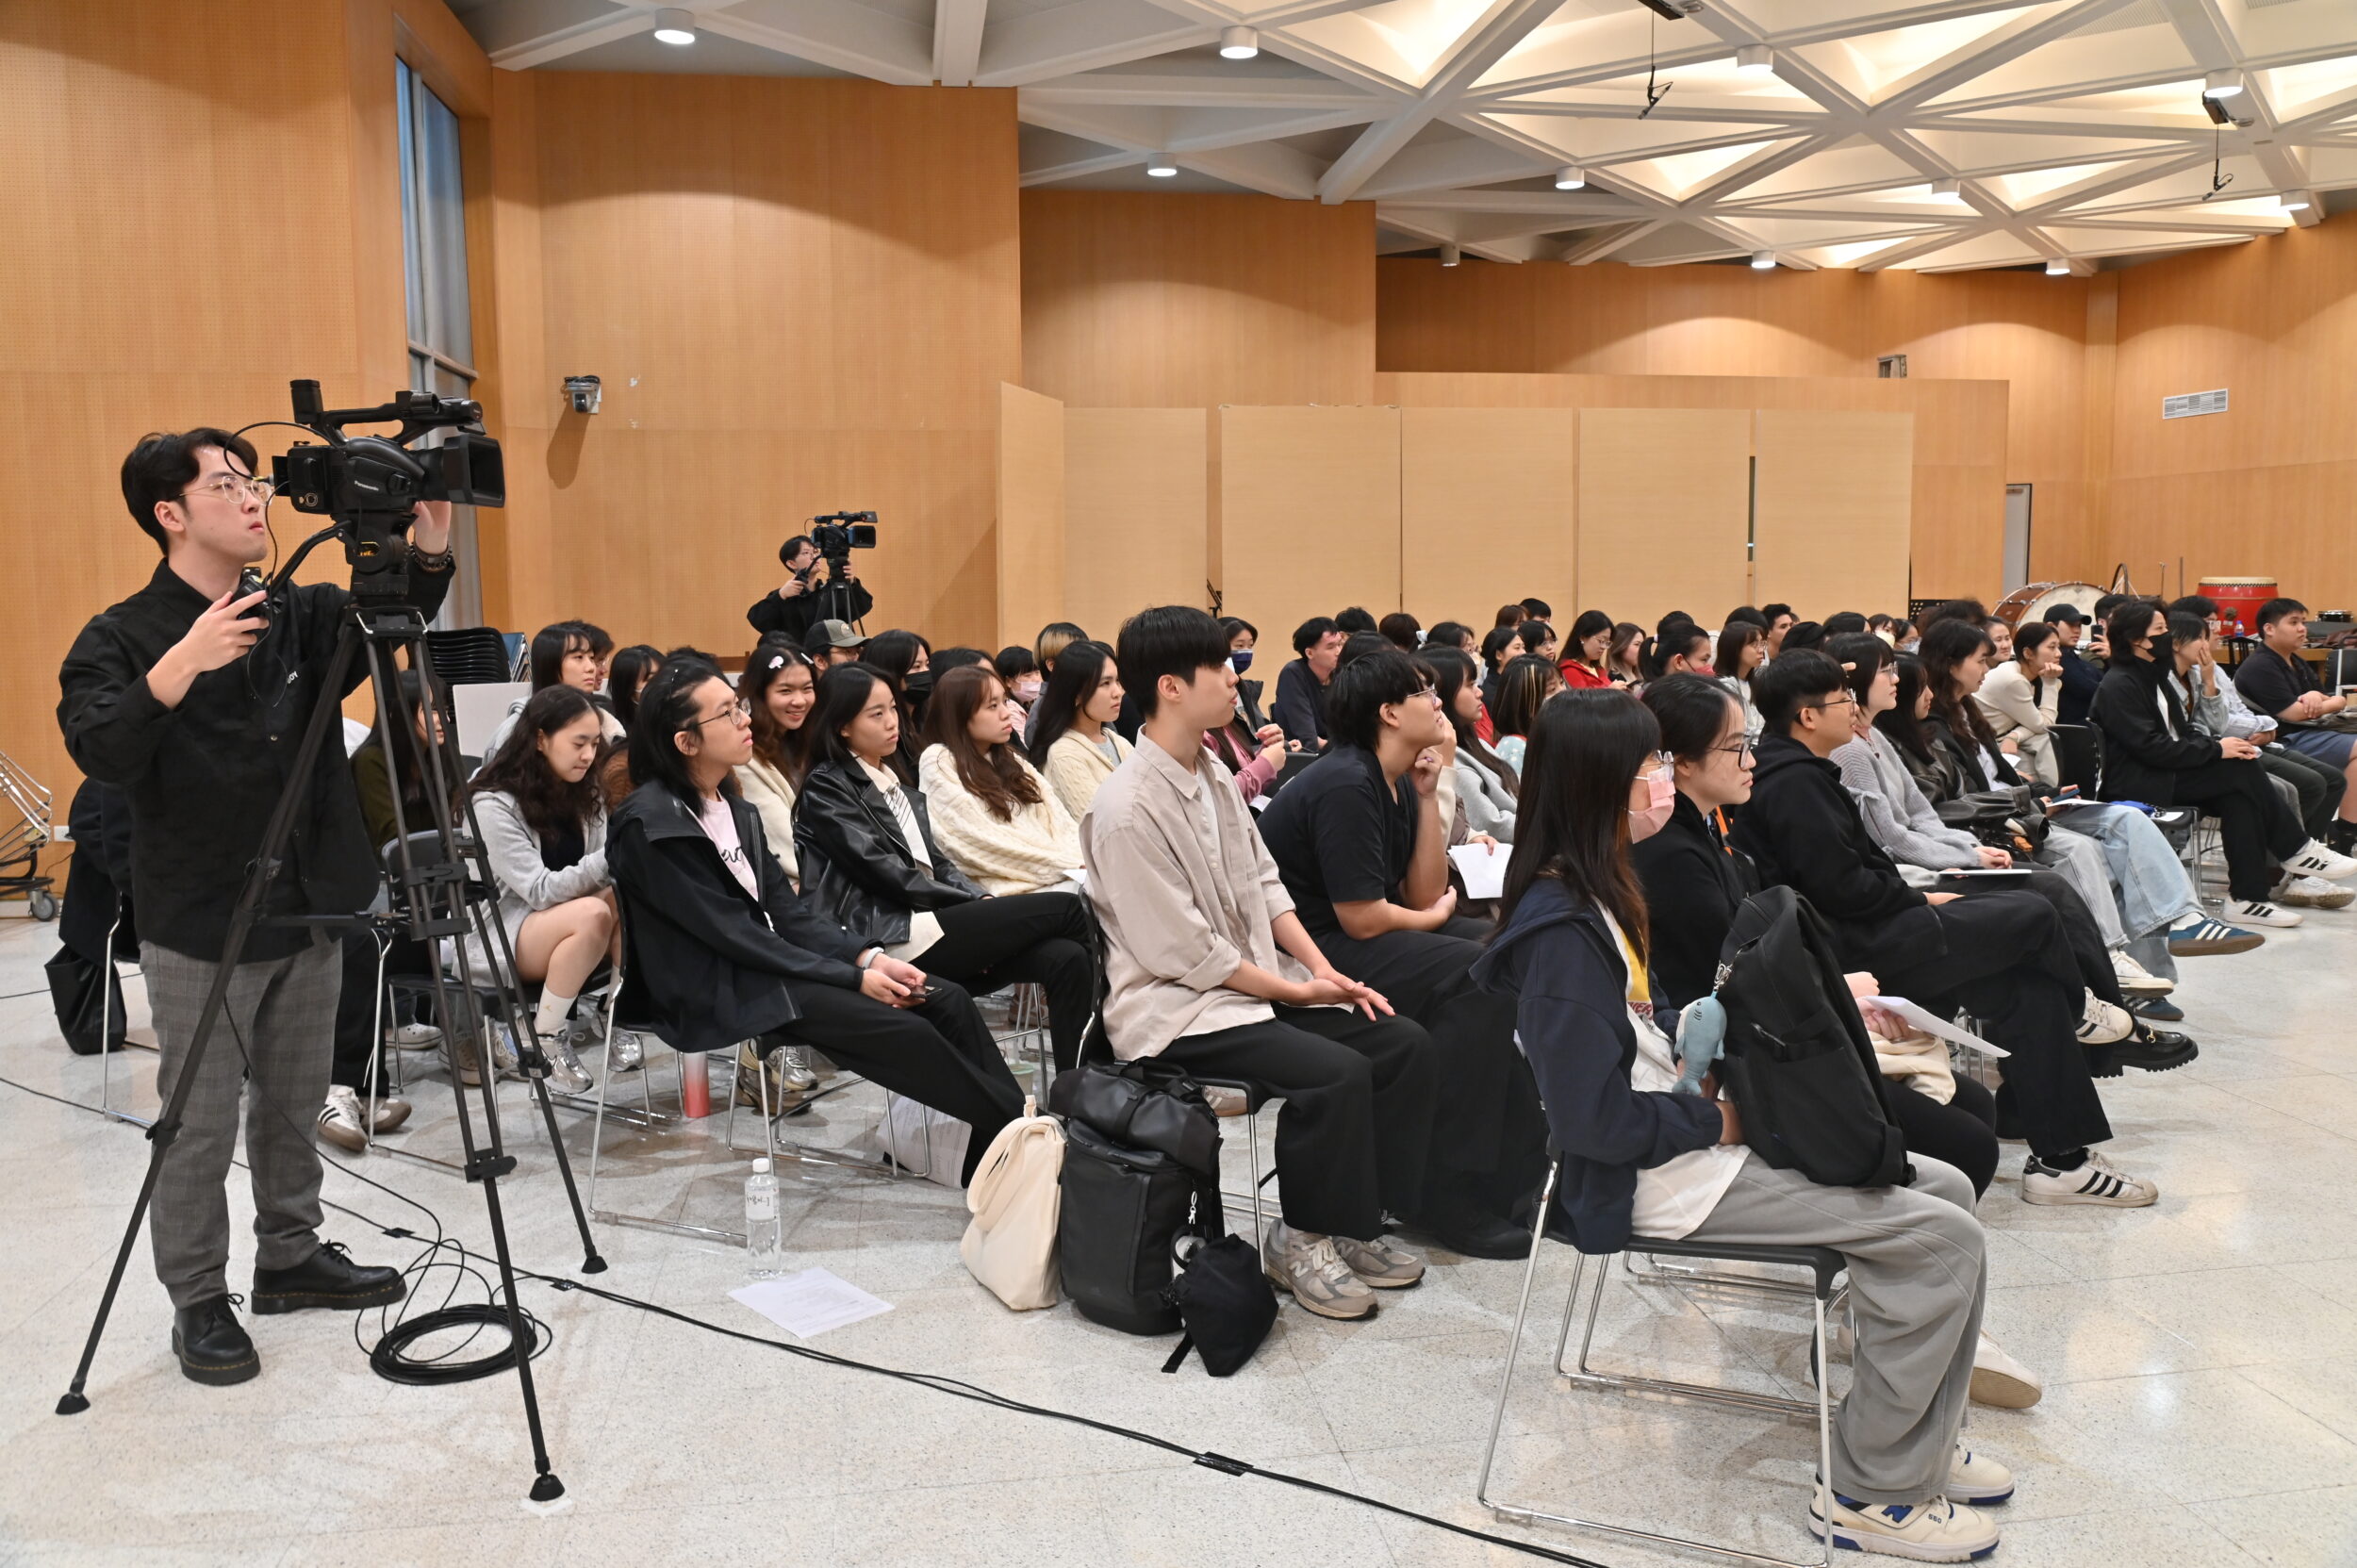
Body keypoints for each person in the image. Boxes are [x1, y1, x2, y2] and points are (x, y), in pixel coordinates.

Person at [1473, 686, 2012, 1560]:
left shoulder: (1601, 892)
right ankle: (1870, 1489)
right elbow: (1593, 1122)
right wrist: (1721, 1120)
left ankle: (1916, 1439)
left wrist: (1723, 1054)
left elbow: (1644, 1033)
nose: (1662, 776)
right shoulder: (1560, 932)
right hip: (1656, 1176)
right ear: (1601, 784)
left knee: (1945, 1185)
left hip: (1684, 1134)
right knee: (1940, 1239)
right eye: (1650, 762)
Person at [58, 428, 439, 1383]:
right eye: (226, 485)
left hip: (310, 899)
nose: (253, 500)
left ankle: (290, 1254)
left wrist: (426, 542)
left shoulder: (300, 611)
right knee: (197, 1119)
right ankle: (197, 1296)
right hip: (201, 915)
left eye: (255, 483)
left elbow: (392, 622)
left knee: (295, 1097)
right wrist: (182, 662)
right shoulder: (121, 635)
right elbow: (101, 750)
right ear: (170, 514)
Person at [1082, 606, 1441, 1320]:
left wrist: (1320, 972)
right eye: (1219, 665)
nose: (1234, 678)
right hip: (1179, 1011)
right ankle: (1298, 1237)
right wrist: (1293, 991)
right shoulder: (1125, 809)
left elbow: (1264, 885)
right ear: (1172, 687)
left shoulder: (1211, 770)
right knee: (1335, 1073)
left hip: (1250, 988)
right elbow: (1185, 951)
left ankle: (1353, 1219)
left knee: (1402, 1043)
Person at [1732, 651, 2163, 1208]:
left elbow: (1861, 867)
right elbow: (1841, 889)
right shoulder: (1794, 782)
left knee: (2028, 990)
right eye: (1843, 699)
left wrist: (1914, 894)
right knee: (2034, 911)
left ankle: (2063, 1163)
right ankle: (2082, 1009)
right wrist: (1916, 896)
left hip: (1873, 926)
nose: (1853, 708)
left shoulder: (1804, 771)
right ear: (1808, 716)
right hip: (1854, 948)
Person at [609, 658, 1021, 1183]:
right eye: (727, 713)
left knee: (947, 1000)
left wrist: (868, 957)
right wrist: (853, 978)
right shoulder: (651, 825)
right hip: (714, 985)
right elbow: (732, 936)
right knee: (904, 1029)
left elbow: (789, 913)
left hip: (765, 966)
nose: (745, 719)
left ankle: (1000, 1145)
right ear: (686, 742)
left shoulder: (735, 810)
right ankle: (1026, 1141)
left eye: (738, 706)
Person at [1257, 648, 1547, 1257]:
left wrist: (1428, 793)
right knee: (1474, 971)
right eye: (1424, 693)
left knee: (1496, 952)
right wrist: (1433, 920)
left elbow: (1419, 891)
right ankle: (1443, 1186)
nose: (1439, 703)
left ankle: (1496, 1167)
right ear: (1389, 712)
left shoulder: (1392, 778)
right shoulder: (1345, 780)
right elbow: (1363, 918)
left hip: (1350, 936)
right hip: (1308, 951)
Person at [1838, 633, 2209, 1044]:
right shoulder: (1853, 749)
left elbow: (1921, 815)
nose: (1895, 680)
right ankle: (2095, 1000)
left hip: (1961, 840)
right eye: (1886, 671)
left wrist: (1971, 848)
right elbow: (1893, 838)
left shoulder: (1878, 736)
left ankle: (2110, 993)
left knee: (2092, 854)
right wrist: (1971, 854)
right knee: (2046, 888)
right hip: (1915, 874)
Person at [798, 665, 1096, 1073]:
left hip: (932, 923)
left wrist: (979, 899)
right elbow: (885, 873)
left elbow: (937, 861)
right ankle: (1115, 1063)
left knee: (1067, 958)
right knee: (1069, 909)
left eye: (892, 709)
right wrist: (971, 908)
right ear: (843, 726)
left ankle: (1078, 1087)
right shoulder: (827, 785)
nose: (892, 722)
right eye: (876, 714)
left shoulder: (890, 780)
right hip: (889, 933)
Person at [2091, 600, 2357, 928]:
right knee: (2238, 770)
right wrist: (2217, 750)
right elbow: (2151, 749)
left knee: (2239, 793)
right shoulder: (2119, 684)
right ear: (2137, 640)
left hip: (2166, 771)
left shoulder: (2153, 676)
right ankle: (2296, 849)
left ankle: (2248, 899)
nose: (2167, 636)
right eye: (2160, 630)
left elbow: (2185, 731)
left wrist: (2221, 746)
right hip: (2140, 781)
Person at [456, 685, 624, 1096]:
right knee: (595, 913)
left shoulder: (585, 790)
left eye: (594, 744)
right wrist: (615, 856)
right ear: (540, 739)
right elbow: (539, 891)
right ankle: (545, 1036)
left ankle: (620, 1014)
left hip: (566, 924)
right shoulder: (492, 805)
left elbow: (604, 870)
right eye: (579, 744)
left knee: (628, 898)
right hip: (502, 934)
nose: (589, 755)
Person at [2166, 610, 2352, 910]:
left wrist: (2212, 683)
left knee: (2283, 783)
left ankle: (2257, 892)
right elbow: (2199, 734)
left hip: (2246, 744)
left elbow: (2216, 723)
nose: (2213, 635)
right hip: (2186, 766)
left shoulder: (2203, 673)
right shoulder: (2160, 680)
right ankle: (2291, 863)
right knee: (2277, 783)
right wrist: (2222, 746)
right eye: (2203, 632)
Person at [918, 664, 1083, 896]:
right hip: (1006, 888)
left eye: (1004, 702)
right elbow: (973, 841)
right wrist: (1065, 865)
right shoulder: (938, 760)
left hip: (1060, 873)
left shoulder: (1010, 759)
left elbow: (1058, 818)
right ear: (959, 715)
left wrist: (1080, 860)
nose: (1005, 713)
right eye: (992, 706)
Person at [2235, 596, 2357, 853]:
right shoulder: (2261, 665)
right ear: (2269, 629)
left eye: (2303, 622)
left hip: (2310, 732)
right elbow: (2294, 714)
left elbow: (2328, 698)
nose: (2302, 629)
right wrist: (2330, 702)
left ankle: (2344, 832)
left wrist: (2319, 698)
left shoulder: (2294, 660)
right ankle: (2342, 834)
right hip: (2283, 740)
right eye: (2294, 622)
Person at [735, 643, 817, 888]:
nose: (799, 701)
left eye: (807, 689)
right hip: (793, 884)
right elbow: (783, 841)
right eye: (785, 691)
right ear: (760, 694)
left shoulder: (807, 743)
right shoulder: (745, 757)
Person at [483, 621, 626, 758]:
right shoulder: (514, 732)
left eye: (591, 658)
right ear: (550, 664)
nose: (591, 668)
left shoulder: (608, 726)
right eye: (579, 657)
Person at [1027, 639, 1131, 820]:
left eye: (1117, 681)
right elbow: (1099, 824)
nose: (1118, 692)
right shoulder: (1063, 755)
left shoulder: (1116, 740)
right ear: (1075, 694)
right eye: (1105, 683)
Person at [1430, 647, 1518, 841]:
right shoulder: (1450, 759)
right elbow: (1490, 823)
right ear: (1443, 694)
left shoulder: (1476, 743)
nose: (1479, 692)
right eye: (1470, 685)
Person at [746, 533, 873, 645]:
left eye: (816, 552)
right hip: (799, 657)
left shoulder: (832, 590)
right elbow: (758, 620)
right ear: (792, 563)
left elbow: (862, 607)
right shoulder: (785, 595)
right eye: (806, 553)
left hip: (833, 655)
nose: (814, 557)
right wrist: (780, 595)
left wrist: (852, 583)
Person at [1973, 620, 2060, 784]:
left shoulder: (2021, 672)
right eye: (2052, 647)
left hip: (2001, 738)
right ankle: (2054, 793)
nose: (2059, 654)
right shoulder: (2013, 679)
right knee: (2046, 740)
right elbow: (2044, 725)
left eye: (2058, 647)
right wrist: (2050, 683)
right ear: (2028, 653)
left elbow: (2038, 723)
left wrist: (2014, 736)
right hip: (1985, 746)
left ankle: (2054, 791)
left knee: (2045, 741)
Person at [1274, 615, 1343, 749]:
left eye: (1340, 644)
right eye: (1330, 647)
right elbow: (1307, 738)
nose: (1338, 652)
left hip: (1336, 750)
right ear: (1310, 653)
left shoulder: (1341, 673)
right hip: (1301, 754)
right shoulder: (1293, 674)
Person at [1488, 652, 1563, 773]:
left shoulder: (1548, 735)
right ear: (1527, 704)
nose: (1563, 691)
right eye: (1552, 689)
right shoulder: (1515, 747)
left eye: (1562, 683)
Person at [1716, 619, 1767, 741]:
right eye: (1754, 645)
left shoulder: (1756, 682)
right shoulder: (1724, 687)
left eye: (1762, 643)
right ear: (1735, 649)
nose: (1761, 650)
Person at [1218, 617, 1271, 731]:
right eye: (1240, 646)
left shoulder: (1247, 689)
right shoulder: (1213, 692)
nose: (1246, 651)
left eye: (1250, 645)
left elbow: (1259, 729)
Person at [606, 644, 664, 734]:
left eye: (663, 675)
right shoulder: (617, 732)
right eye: (650, 679)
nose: (662, 682)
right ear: (628, 688)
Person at [1560, 610, 1614, 689]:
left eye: (1607, 643)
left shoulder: (1599, 669)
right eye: (1601, 641)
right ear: (1582, 637)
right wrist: (1611, 690)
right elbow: (1582, 696)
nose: (1604, 647)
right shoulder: (1569, 669)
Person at [1606, 621, 1646, 685]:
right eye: (1637, 644)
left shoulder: (1642, 674)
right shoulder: (1615, 680)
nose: (1642, 649)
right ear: (1621, 646)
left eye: (1643, 645)